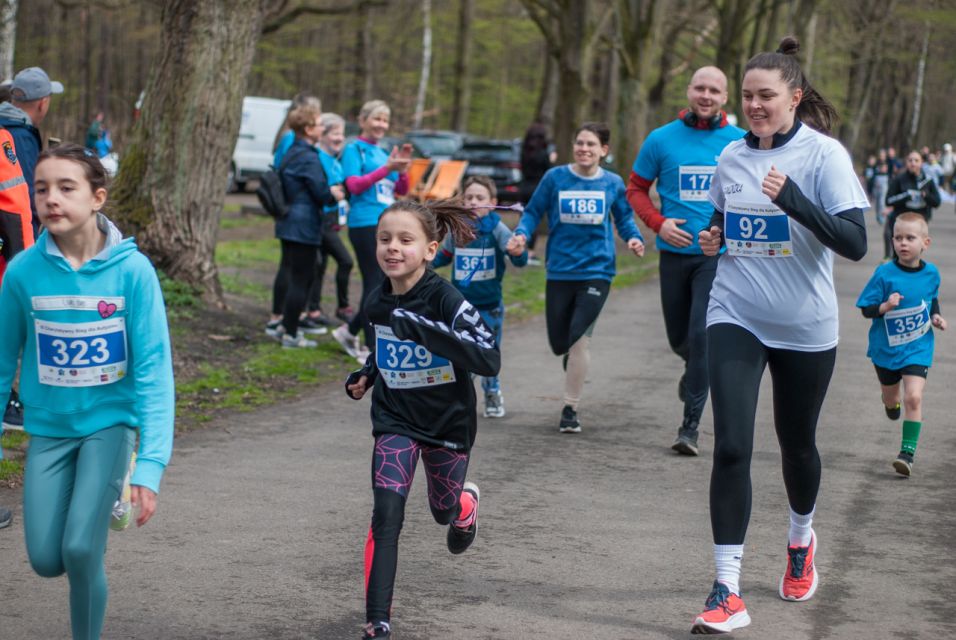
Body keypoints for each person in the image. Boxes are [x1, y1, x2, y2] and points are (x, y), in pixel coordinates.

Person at [691, 37, 868, 634]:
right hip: (735, 312)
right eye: (747, 96)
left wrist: (793, 200)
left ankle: (800, 540)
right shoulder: (730, 157)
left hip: (804, 325)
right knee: (731, 446)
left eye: (766, 96)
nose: (754, 105)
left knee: (798, 446)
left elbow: (854, 243)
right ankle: (726, 590)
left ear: (794, 98)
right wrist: (713, 236)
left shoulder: (824, 156)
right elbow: (722, 217)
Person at [0, 143, 175, 639]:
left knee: (80, 549)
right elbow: (2, 362)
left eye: (66, 187)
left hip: (109, 425)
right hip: (50, 431)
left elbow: (155, 372)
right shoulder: (23, 272)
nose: (51, 199)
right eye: (41, 189)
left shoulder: (132, 271)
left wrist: (151, 465)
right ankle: (98, 509)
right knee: (45, 559)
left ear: (97, 197)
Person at [344, 198, 500, 640]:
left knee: (441, 510)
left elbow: (489, 358)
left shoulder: (445, 299)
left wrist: (423, 328)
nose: (393, 248)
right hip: (394, 419)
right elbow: (383, 347)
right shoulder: (377, 298)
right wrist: (367, 374)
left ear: (431, 249)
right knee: (386, 515)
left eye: (405, 240)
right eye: (384, 239)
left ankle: (463, 506)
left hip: (447, 423)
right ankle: (377, 620)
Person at [626, 65, 745, 455]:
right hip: (673, 255)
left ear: (725, 97)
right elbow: (636, 189)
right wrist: (658, 224)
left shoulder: (738, 143)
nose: (706, 95)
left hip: (716, 258)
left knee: (701, 337)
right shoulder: (661, 139)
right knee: (680, 339)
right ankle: (691, 366)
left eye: (714, 90)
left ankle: (689, 427)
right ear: (689, 91)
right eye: (700, 88)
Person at [507, 122, 645, 433]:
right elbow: (533, 211)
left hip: (597, 270)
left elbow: (624, 218)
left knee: (579, 337)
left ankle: (570, 408)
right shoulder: (555, 178)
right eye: (580, 143)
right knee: (560, 342)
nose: (584, 148)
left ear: (603, 150)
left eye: (591, 144)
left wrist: (634, 238)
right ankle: (570, 356)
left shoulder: (612, 182)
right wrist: (522, 234)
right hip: (560, 269)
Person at [856, 212, 946, 477]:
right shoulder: (884, 273)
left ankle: (907, 454)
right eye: (898, 238)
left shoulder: (932, 273)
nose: (903, 243)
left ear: (925, 243)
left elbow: (931, 299)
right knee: (892, 397)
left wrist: (936, 317)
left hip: (918, 347)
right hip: (886, 350)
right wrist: (885, 306)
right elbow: (867, 308)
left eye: (910, 238)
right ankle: (890, 403)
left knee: (914, 397)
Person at [432, 176, 528, 418]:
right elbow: (443, 257)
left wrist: (518, 252)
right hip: (460, 307)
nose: (474, 202)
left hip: (490, 307)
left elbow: (519, 260)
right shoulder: (458, 229)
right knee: (459, 353)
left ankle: (492, 393)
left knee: (487, 354)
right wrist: (421, 264)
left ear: (492, 202)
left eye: (480, 197)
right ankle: (458, 399)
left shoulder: (498, 229)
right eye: (469, 197)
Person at [333, 100, 411, 361]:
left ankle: (349, 331)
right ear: (363, 120)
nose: (381, 125)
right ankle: (369, 347)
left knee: (382, 283)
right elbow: (354, 185)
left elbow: (401, 189)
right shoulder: (354, 149)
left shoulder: (383, 151)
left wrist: (402, 170)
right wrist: (387, 168)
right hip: (364, 222)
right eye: (377, 119)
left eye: (385, 120)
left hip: (387, 223)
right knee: (374, 282)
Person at [268, 105, 344, 348]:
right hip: (303, 225)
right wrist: (334, 194)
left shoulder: (292, 151)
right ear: (309, 129)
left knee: (294, 274)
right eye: (320, 124)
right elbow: (321, 193)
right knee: (302, 279)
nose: (322, 128)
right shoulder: (308, 157)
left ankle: (284, 326)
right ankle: (291, 334)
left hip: (289, 221)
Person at [0, 67, 64, 232]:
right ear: (43, 104)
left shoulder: (6, 126)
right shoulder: (21, 137)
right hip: (15, 235)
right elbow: (29, 194)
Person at [312, 112, 355, 325]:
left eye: (342, 134)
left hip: (332, 219)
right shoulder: (317, 157)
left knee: (320, 266)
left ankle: (314, 309)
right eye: (335, 133)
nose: (340, 138)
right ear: (322, 134)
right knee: (345, 261)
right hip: (319, 219)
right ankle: (342, 307)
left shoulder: (336, 161)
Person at [882, 150, 940, 260]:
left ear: (921, 163)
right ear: (906, 162)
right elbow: (888, 200)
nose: (913, 163)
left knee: (914, 256)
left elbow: (937, 202)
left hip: (920, 222)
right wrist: (906, 196)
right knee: (899, 256)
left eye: (916, 160)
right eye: (910, 160)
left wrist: (926, 196)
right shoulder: (899, 179)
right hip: (901, 222)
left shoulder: (928, 180)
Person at [518, 122, 553, 266]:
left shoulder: (524, 151)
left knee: (524, 218)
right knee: (535, 219)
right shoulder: (543, 153)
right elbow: (548, 170)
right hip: (537, 189)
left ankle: (522, 247)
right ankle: (530, 251)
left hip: (524, 187)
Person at [871, 149, 891, 225]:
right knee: (877, 203)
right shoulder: (876, 163)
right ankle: (878, 216)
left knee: (882, 202)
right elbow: (872, 175)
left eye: (883, 155)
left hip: (884, 182)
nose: (882, 156)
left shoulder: (888, 162)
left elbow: (890, 172)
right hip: (877, 184)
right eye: (880, 155)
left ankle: (882, 218)